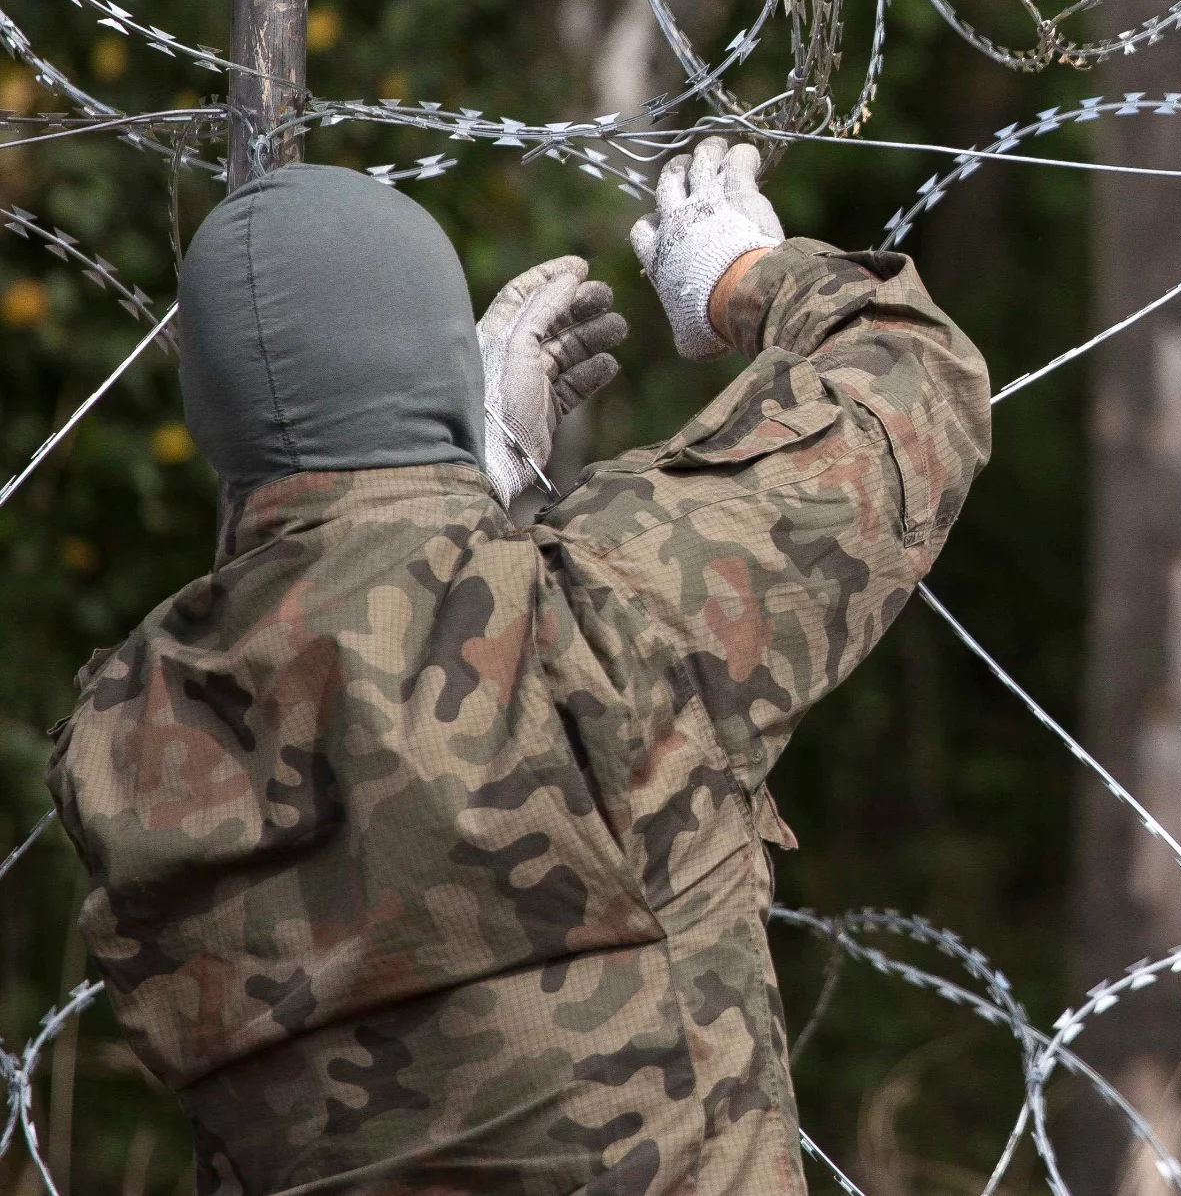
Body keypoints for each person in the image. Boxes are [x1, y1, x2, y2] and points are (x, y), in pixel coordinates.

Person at [48, 136, 990, 1195]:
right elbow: (911, 379)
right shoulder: (595, 616)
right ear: (443, 367)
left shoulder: (124, 736)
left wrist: (452, 486)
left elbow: (316, 636)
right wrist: (736, 274)